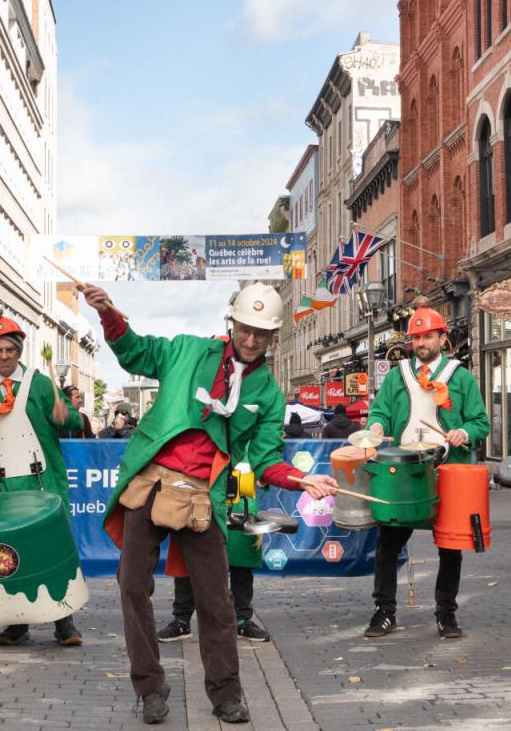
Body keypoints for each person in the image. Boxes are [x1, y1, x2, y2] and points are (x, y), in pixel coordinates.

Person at [78, 281, 336, 726]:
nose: (252, 340)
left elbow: (265, 459)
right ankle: (150, 686)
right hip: (151, 482)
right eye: (246, 328)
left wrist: (300, 479)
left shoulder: (270, 395)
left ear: (273, 338)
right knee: (132, 584)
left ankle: (225, 693)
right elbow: (137, 351)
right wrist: (107, 314)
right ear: (231, 321)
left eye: (262, 334)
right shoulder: (188, 350)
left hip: (206, 495)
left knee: (217, 600)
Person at [359, 305, 491, 640]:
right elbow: (381, 412)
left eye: (428, 335)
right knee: (388, 542)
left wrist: (465, 432)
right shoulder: (397, 374)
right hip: (404, 470)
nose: (421, 342)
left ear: (442, 338)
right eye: (416, 336)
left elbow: (480, 421)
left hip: (447, 468)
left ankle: (446, 613)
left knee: (449, 545)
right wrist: (376, 425)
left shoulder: (459, 376)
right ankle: (384, 611)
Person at [0, 315, 84, 646]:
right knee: (9, 554)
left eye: (9, 350)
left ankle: (63, 621)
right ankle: (17, 624)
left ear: (19, 351)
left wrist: (65, 414)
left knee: (50, 550)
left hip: (40, 482)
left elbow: (71, 418)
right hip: (2, 486)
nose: (3, 356)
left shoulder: (39, 384)